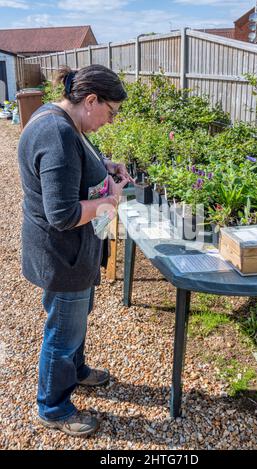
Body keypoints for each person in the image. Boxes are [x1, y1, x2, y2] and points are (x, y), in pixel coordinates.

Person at [18, 64, 134, 438]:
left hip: (73, 253)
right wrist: (111, 202)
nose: (110, 121)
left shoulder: (61, 119)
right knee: (62, 332)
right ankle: (52, 408)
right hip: (62, 255)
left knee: (76, 320)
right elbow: (63, 214)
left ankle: (78, 370)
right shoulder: (57, 134)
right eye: (110, 112)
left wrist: (105, 166)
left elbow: (75, 168)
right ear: (91, 99)